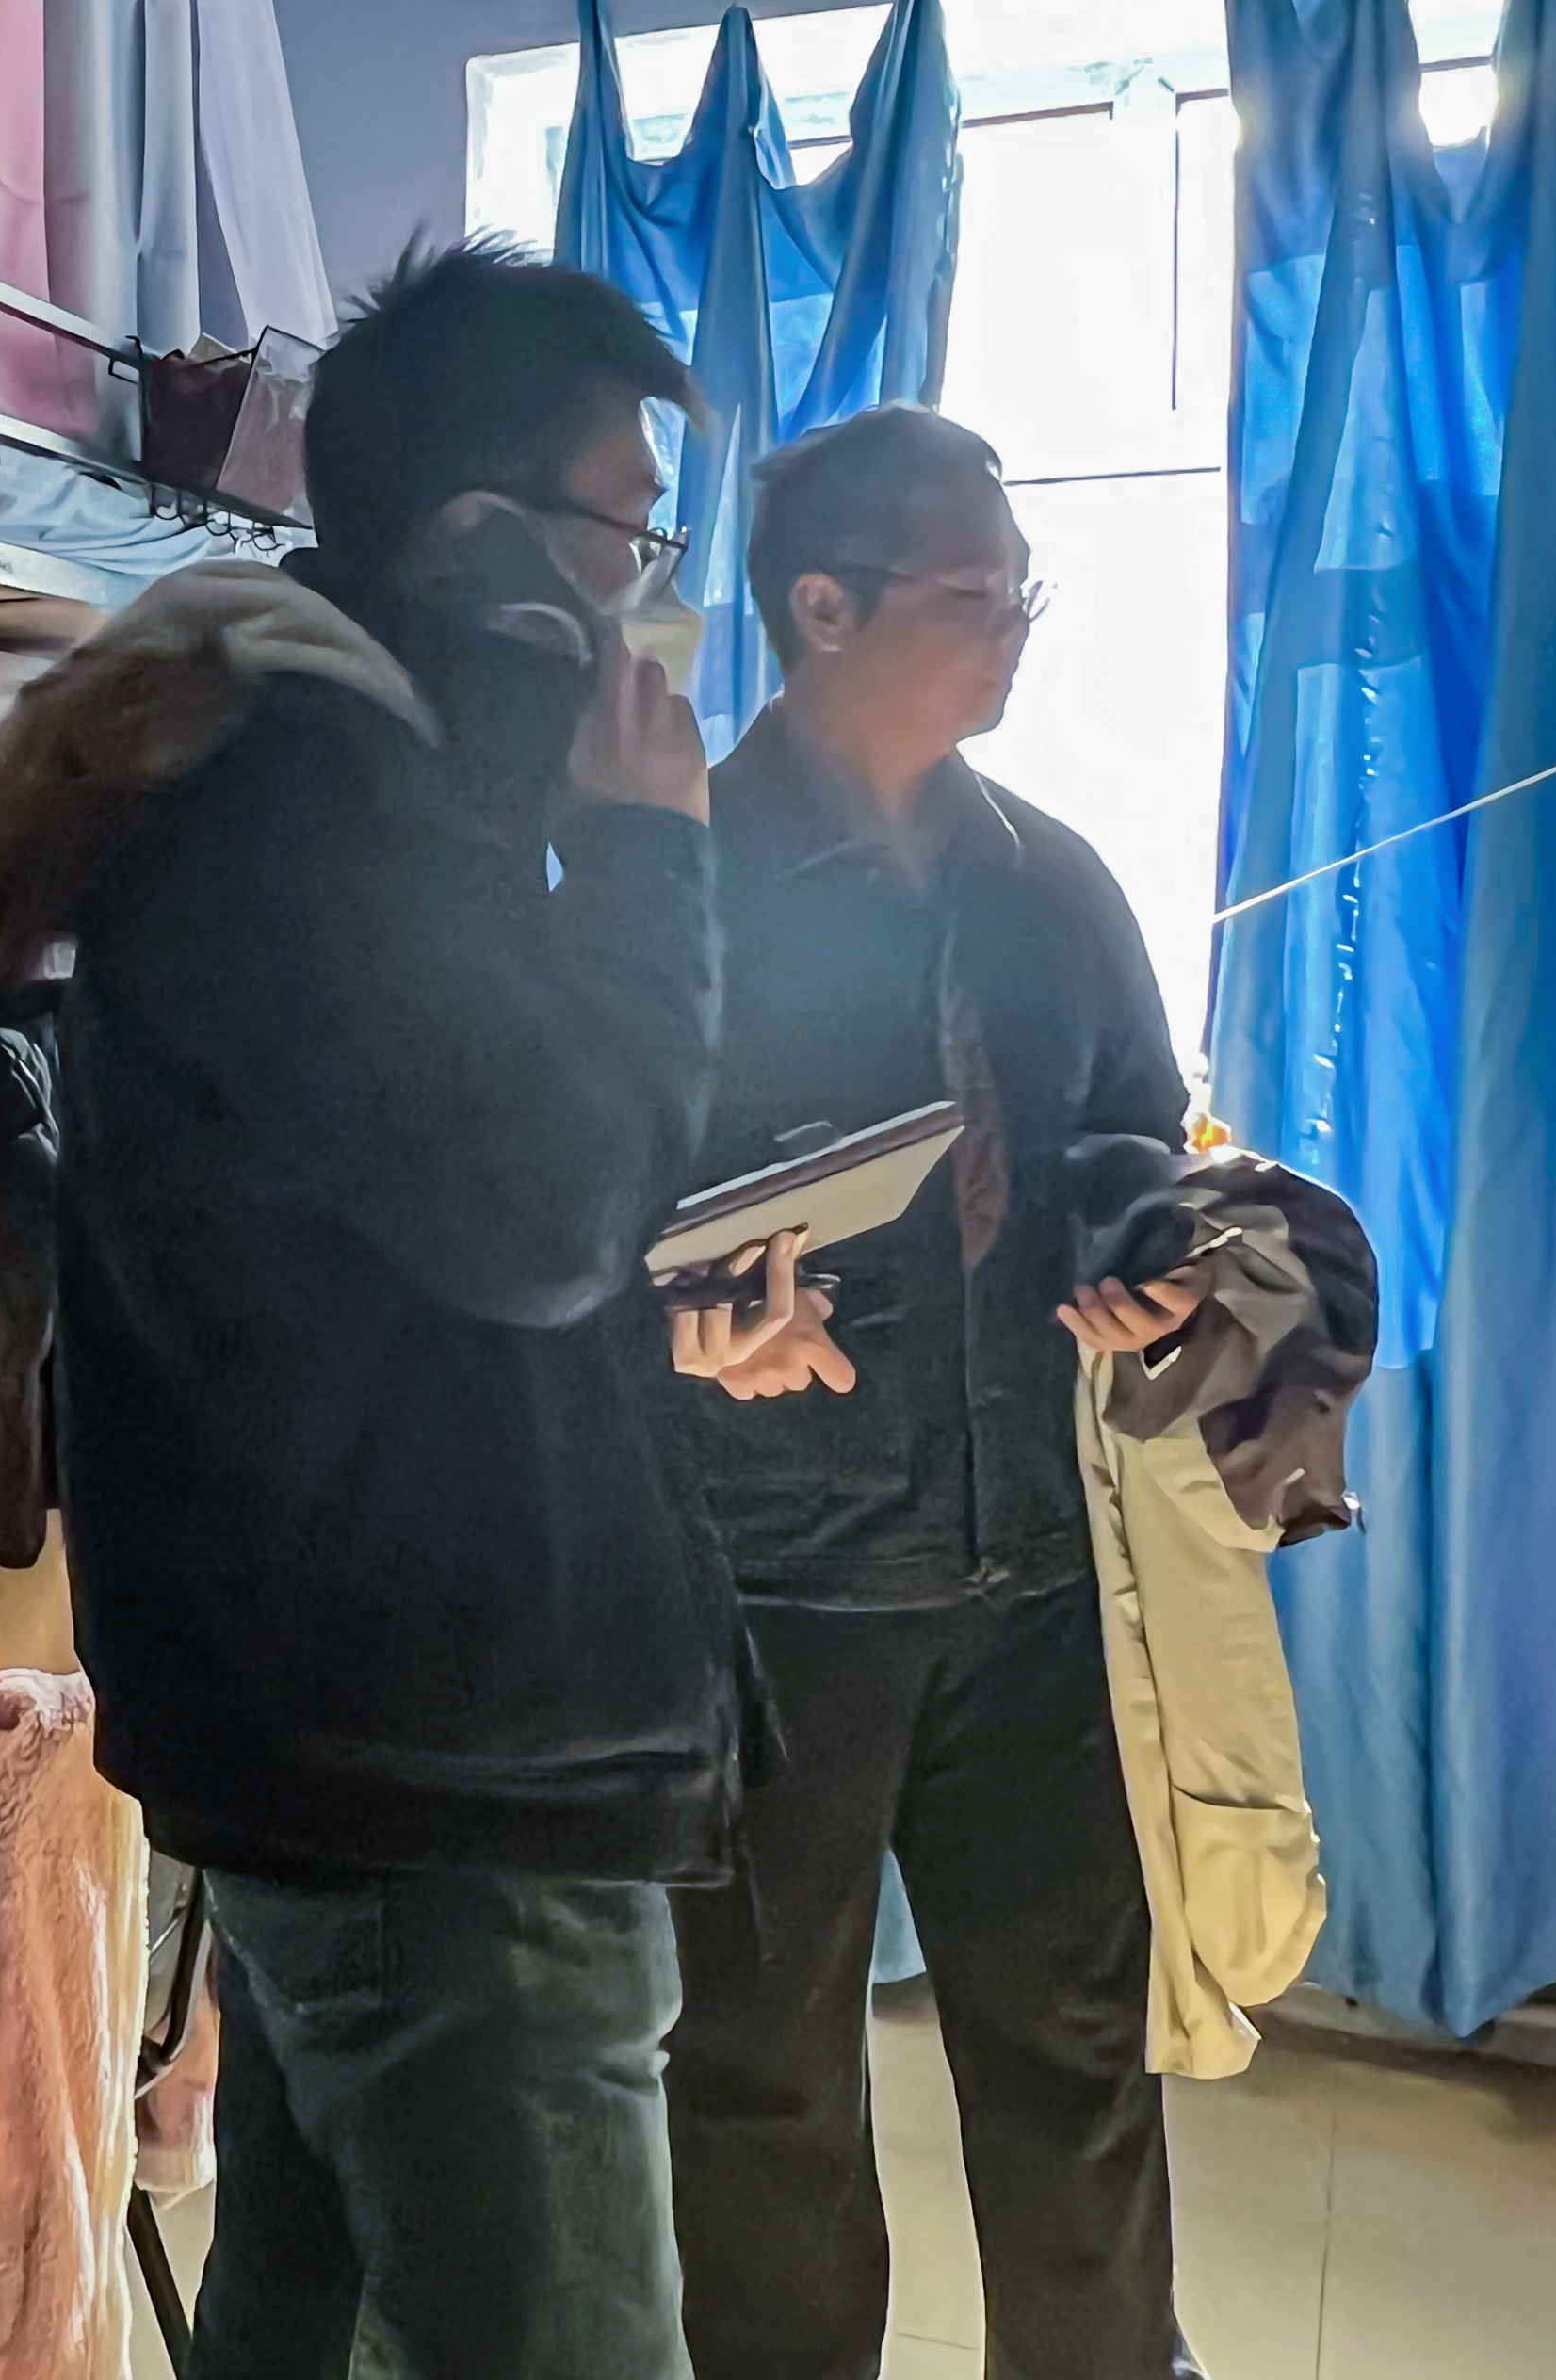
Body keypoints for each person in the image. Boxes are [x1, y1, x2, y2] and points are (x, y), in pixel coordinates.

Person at [0, 239, 835, 2380]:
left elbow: (396, 1275)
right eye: (630, 532)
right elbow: (543, 1205)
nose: (647, 596)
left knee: (310, 2326)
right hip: (437, 1795)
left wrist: (646, 1339)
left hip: (380, 1749)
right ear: (480, 545)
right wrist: (655, 859)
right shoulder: (313, 810)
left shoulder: (349, 787)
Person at [662, 404, 1209, 2380]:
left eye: (1025, 594)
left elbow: (1138, 1125)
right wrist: (695, 1283)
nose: (1017, 632)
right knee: (760, 2087)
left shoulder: (1051, 878)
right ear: (823, 607)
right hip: (771, 1590)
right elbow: (573, 1207)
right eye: (980, 594)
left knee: (1078, 2062)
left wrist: (1148, 1242)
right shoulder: (675, 881)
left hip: (1033, 1578)